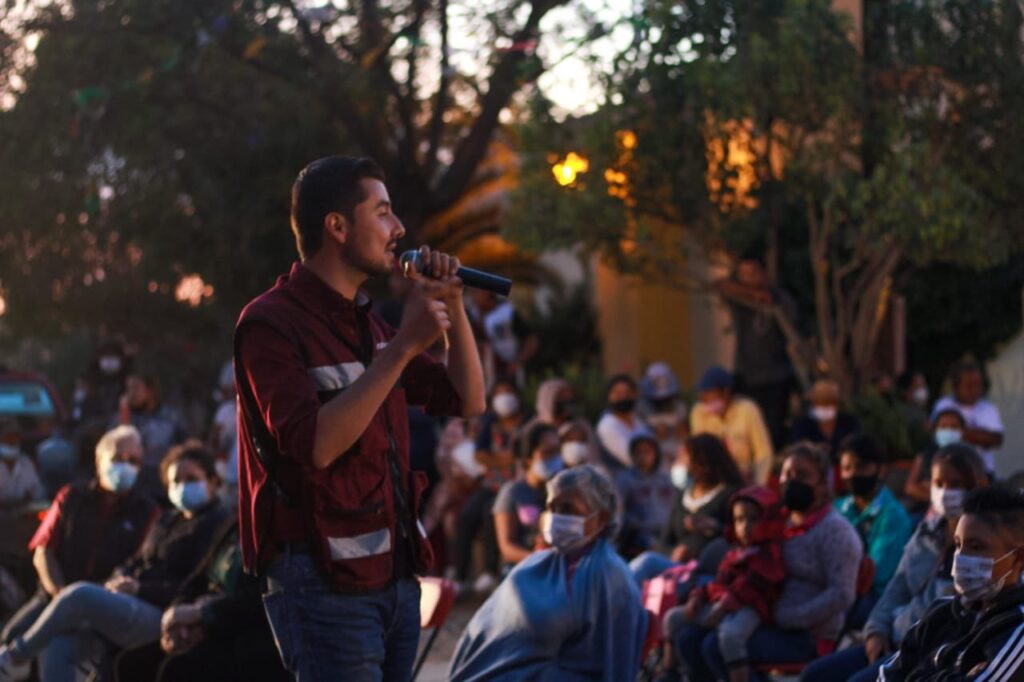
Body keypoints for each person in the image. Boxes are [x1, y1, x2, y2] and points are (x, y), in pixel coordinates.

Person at [234, 156, 485, 681]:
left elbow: (468, 400)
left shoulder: (366, 321)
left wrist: (453, 307)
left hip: (392, 577)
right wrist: (401, 348)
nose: (399, 230)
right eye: (384, 212)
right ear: (337, 227)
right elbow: (316, 446)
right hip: (321, 580)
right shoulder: (270, 324)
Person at [0, 443, 229, 682]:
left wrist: (140, 589)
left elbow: (193, 584)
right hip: (119, 600)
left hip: (164, 613)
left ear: (212, 480)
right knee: (61, 643)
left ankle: (15, 657)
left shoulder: (215, 525)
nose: (182, 487)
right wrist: (121, 579)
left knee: (80, 594)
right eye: (176, 481)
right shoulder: (168, 520)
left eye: (191, 479)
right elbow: (138, 560)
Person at [801, 443, 989, 682]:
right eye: (939, 484)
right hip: (890, 638)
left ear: (976, 484)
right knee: (814, 675)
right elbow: (897, 587)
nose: (945, 493)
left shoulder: (980, 547)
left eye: (956, 484)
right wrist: (875, 630)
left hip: (926, 652)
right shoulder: (927, 531)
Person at [676, 443, 862, 680]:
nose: (792, 481)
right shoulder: (776, 521)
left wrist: (788, 616)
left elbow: (842, 594)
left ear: (823, 484)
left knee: (716, 646)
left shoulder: (837, 532)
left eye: (803, 475)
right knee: (689, 637)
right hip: (760, 617)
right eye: (787, 474)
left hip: (805, 634)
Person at [448, 465, 648, 681]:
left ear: (601, 518)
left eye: (568, 509)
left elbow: (612, 662)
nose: (556, 516)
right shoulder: (539, 562)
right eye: (552, 507)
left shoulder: (611, 577)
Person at [0, 426, 158, 658]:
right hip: (52, 596)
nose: (125, 465)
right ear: (99, 459)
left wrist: (90, 600)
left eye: (133, 460)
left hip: (106, 604)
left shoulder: (148, 512)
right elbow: (43, 551)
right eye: (117, 458)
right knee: (11, 636)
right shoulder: (71, 496)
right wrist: (61, 596)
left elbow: (139, 565)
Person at [877, 487, 1024, 680]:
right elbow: (887, 674)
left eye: (977, 547)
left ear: (1019, 557)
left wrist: (919, 674)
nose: (961, 557)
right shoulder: (942, 610)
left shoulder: (1016, 628)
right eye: (958, 545)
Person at [112, 522, 289, 682]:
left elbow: (259, 599)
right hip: (197, 623)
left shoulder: (281, 537)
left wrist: (204, 614)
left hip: (240, 634)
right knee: (130, 663)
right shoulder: (234, 526)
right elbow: (196, 579)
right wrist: (178, 613)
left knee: (176, 669)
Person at [663, 485, 786, 682]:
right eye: (739, 520)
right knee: (672, 618)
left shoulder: (768, 553)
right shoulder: (733, 553)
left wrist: (724, 605)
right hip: (722, 606)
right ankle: (669, 673)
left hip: (750, 609)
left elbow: (752, 584)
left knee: (730, 637)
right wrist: (699, 597)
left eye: (753, 519)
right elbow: (719, 582)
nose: (745, 526)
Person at [629, 434, 744, 584]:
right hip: (678, 571)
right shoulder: (682, 497)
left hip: (708, 575)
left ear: (703, 462)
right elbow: (664, 542)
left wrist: (714, 527)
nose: (679, 464)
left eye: (684, 458)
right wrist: (675, 552)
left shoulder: (731, 495)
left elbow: (742, 539)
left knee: (648, 562)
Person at [714, 255, 799, 449]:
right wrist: (751, 293)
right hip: (746, 376)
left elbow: (790, 318)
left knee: (773, 432)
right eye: (743, 274)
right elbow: (720, 285)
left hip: (776, 376)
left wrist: (765, 298)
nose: (748, 278)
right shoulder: (740, 298)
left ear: (764, 274)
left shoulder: (780, 299)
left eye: (752, 273)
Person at [453, 379, 525, 590]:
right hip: (491, 484)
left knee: (491, 512)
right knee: (466, 515)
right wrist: (505, 459)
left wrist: (495, 458)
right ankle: (460, 575)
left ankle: (489, 572)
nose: (504, 398)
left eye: (509, 391)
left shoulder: (528, 423)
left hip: (514, 487)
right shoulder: (489, 423)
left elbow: (521, 456)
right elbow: (480, 455)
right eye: (499, 393)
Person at [833, 434, 913, 622]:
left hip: (874, 599)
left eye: (861, 467)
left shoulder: (893, 516)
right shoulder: (838, 507)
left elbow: (876, 574)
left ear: (880, 470)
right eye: (846, 468)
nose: (853, 474)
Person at [493, 423, 562, 568]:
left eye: (557, 451)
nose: (555, 458)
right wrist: (538, 559)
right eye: (547, 452)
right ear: (528, 458)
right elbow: (506, 547)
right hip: (521, 569)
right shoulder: (512, 492)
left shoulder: (563, 490)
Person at [689, 366, 773, 485]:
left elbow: (763, 453)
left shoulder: (747, 409)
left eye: (709, 393)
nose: (704, 398)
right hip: (714, 481)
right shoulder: (698, 412)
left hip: (744, 478)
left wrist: (758, 484)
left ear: (725, 392)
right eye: (703, 394)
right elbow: (698, 453)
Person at [116, 373, 188, 499]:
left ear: (150, 392)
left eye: (135, 388)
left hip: (165, 483)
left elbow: (185, 446)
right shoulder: (123, 418)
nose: (130, 394)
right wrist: (124, 418)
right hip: (135, 485)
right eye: (128, 389)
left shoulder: (171, 416)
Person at [931, 359, 1004, 476]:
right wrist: (978, 435)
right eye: (969, 386)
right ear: (955, 386)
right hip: (949, 471)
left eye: (977, 385)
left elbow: (996, 439)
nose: (974, 390)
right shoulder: (943, 405)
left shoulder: (988, 408)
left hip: (983, 471)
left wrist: (959, 432)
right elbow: (934, 432)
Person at [617, 434, 675, 555]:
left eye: (647, 451)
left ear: (656, 453)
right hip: (641, 534)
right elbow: (620, 511)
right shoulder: (625, 480)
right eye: (638, 452)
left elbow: (675, 506)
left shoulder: (666, 479)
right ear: (632, 455)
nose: (643, 456)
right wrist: (636, 524)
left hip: (668, 532)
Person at [468, 289, 539, 388]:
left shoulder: (507, 313)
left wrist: (518, 362)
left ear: (487, 292)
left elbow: (531, 339)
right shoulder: (471, 315)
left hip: (507, 371)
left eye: (476, 292)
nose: (473, 297)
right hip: (482, 374)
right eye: (472, 293)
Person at [904, 407, 968, 508]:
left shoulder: (970, 457)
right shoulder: (925, 454)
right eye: (943, 427)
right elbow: (910, 487)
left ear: (963, 430)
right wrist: (937, 499)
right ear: (935, 430)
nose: (948, 431)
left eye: (954, 427)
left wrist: (928, 486)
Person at [788, 379, 860, 459]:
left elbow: (856, 444)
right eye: (819, 404)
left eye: (828, 403)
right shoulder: (802, 425)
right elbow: (796, 448)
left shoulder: (849, 422)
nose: (824, 408)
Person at [596, 374, 650, 470]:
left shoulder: (637, 420)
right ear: (609, 396)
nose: (623, 397)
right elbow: (631, 459)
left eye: (627, 393)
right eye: (618, 394)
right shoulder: (607, 425)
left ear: (634, 395)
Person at [639, 362, 689, 461]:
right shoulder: (642, 409)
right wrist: (655, 434)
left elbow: (684, 433)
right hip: (655, 458)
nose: (662, 401)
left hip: (678, 457)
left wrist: (681, 430)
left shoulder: (680, 407)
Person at [0, 419, 43, 510]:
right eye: (8, 437)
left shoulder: (26, 463)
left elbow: (38, 491)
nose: (12, 441)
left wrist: (31, 496)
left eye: (15, 437)